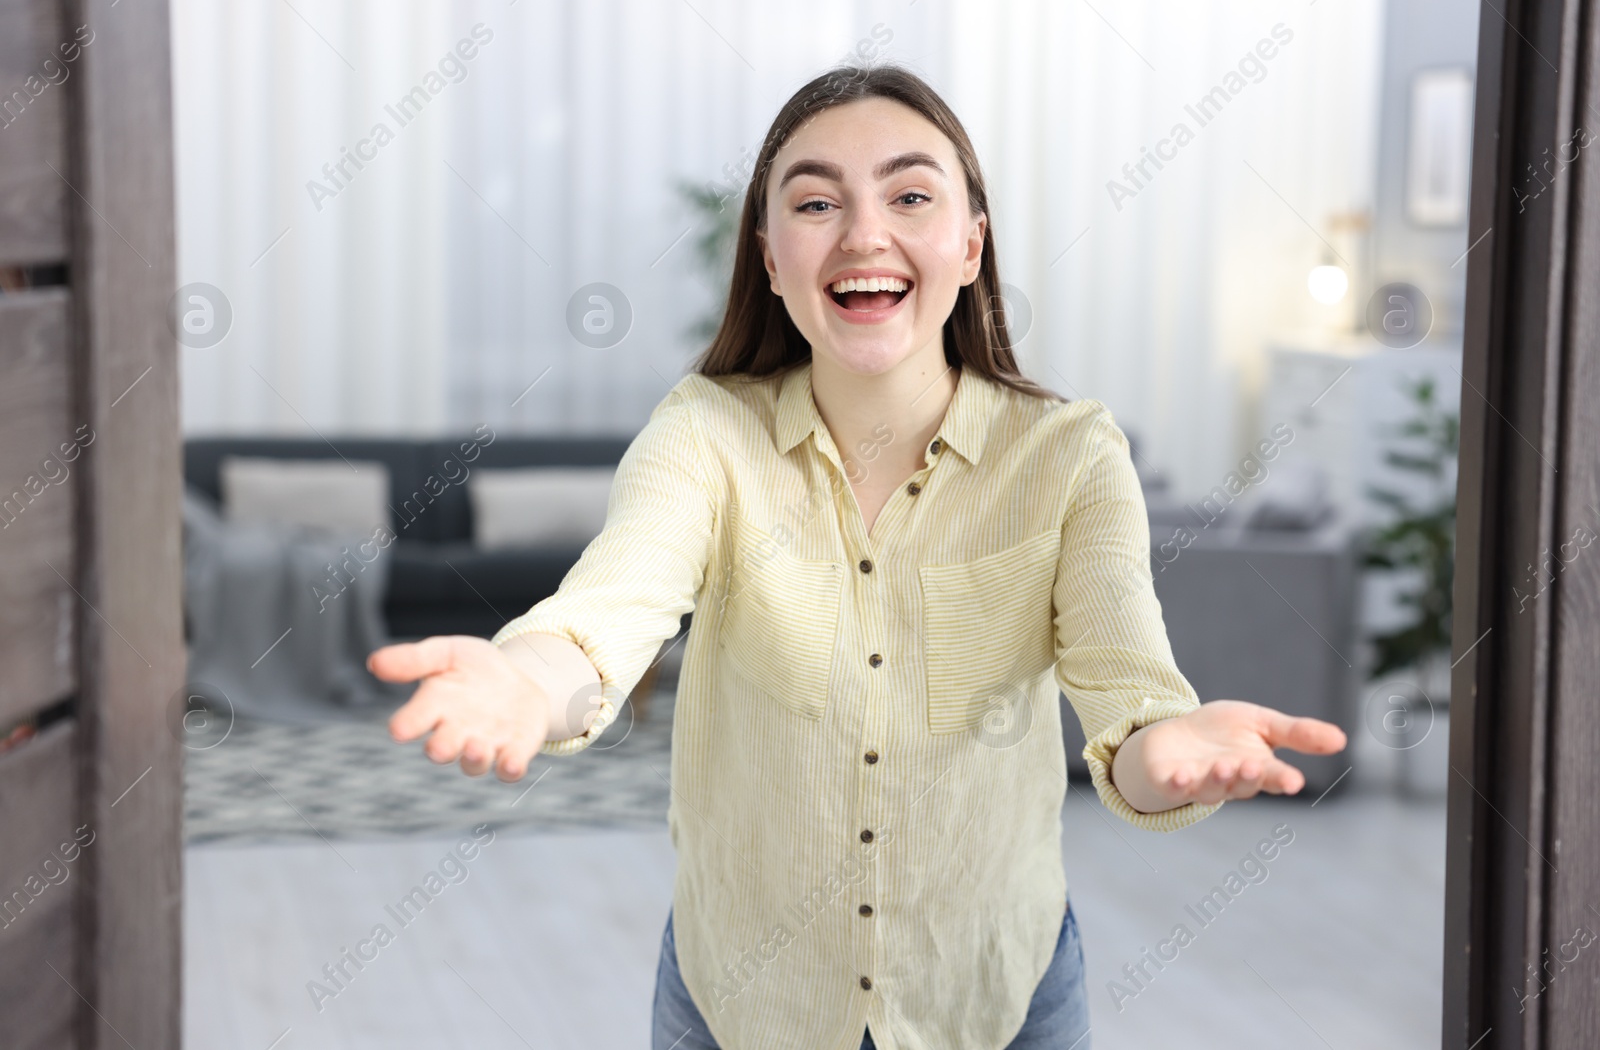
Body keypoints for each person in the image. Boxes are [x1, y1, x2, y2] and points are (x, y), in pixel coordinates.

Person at [368, 62, 1348, 1050]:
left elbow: (1129, 708)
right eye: (816, 201)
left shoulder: (1069, 457)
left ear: (969, 245)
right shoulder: (703, 434)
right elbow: (610, 612)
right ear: (769, 254)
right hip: (739, 1002)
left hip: (998, 997)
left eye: (910, 194)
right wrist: (530, 681)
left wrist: (1163, 754)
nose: (863, 233)